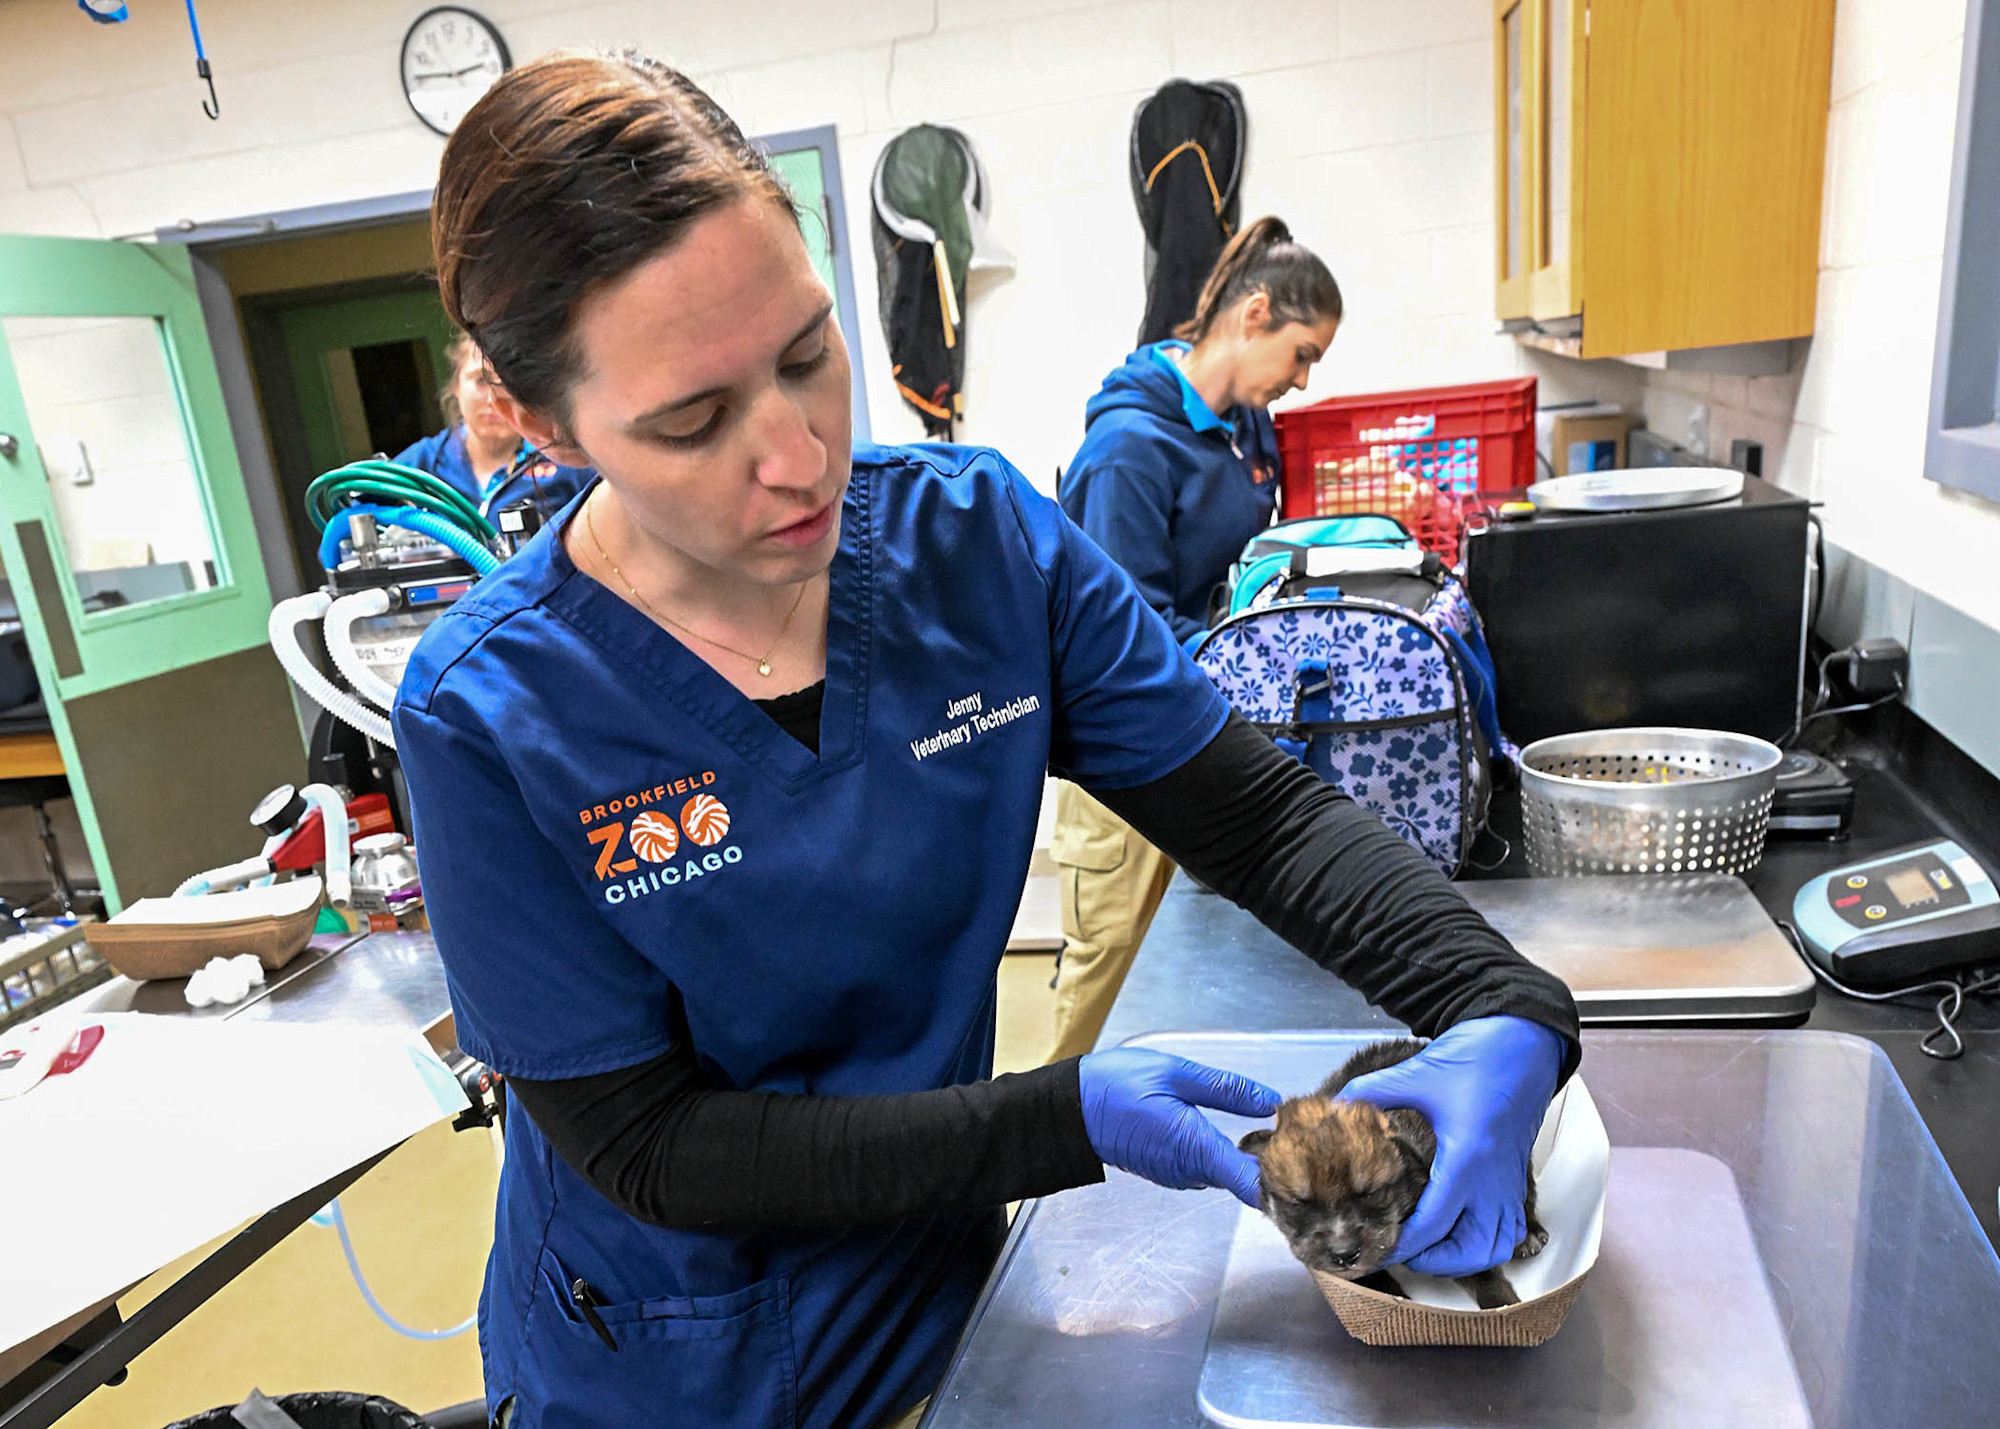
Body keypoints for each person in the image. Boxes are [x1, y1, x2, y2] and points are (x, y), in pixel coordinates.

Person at [394, 51, 1580, 1429]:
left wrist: (1504, 1007)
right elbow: (649, 1145)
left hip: (945, 1313)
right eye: (693, 421)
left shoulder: (981, 548)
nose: (799, 456)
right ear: (546, 424)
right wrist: (1059, 1119)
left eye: (806, 355)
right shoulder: (488, 712)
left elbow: (1261, 822)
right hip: (666, 1370)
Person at [1047, 217, 1340, 1061]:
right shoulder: (1127, 451)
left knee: (1194, 966)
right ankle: (1046, 1169)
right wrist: (1254, 659)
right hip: (1116, 749)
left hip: (1199, 723)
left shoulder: (1248, 428)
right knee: (1107, 973)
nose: (1305, 379)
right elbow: (1123, 629)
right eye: (1303, 353)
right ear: (1255, 316)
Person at [392, 328, 593, 520]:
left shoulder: (564, 458)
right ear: (456, 386)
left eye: (508, 383)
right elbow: (364, 509)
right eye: (481, 380)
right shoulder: (422, 462)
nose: (494, 398)